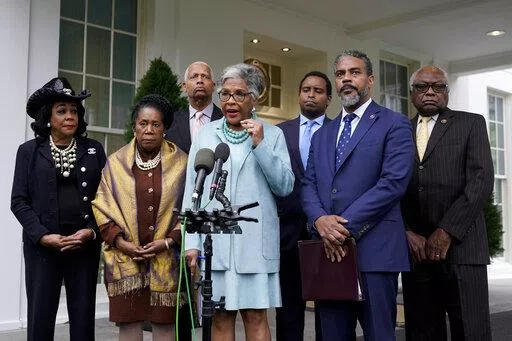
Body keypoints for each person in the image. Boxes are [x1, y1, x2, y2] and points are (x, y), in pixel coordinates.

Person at [301, 50, 414, 341]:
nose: (347, 80)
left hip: (375, 254)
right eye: (340, 74)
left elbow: (393, 183)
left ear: (370, 80)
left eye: (354, 72)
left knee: (379, 335)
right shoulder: (322, 134)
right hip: (329, 254)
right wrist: (319, 222)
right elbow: (308, 184)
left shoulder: (394, 123)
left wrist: (339, 227)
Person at [184, 63, 294, 341]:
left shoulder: (273, 134)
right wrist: (192, 243)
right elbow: (192, 190)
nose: (230, 101)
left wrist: (260, 144)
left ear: (254, 99)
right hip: (216, 242)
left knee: (256, 316)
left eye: (239, 94)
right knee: (220, 316)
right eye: (225, 94)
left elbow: (285, 186)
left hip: (255, 243)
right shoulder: (207, 134)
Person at [401, 65, 494, 341]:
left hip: (463, 248)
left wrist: (447, 231)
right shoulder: (398, 130)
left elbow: (481, 181)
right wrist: (405, 231)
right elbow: (391, 186)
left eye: (438, 86)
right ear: (411, 93)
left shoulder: (471, 123)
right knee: (422, 332)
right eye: (422, 87)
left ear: (447, 91)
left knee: (471, 331)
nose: (430, 92)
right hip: (416, 252)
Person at [11, 77, 106, 341]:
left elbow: (106, 200)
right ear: (48, 117)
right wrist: (42, 236)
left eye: (74, 111)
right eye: (61, 110)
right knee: (40, 320)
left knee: (83, 321)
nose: (69, 116)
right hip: (43, 248)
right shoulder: (28, 151)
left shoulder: (93, 150)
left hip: (83, 246)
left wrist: (91, 231)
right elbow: (18, 201)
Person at [92, 95, 188, 341]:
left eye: (156, 124)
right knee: (129, 324)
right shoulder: (115, 163)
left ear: (164, 128)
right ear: (134, 125)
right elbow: (102, 206)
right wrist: (121, 242)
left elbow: (189, 209)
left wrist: (168, 242)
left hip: (166, 260)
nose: (149, 130)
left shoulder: (181, 162)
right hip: (125, 259)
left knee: (165, 325)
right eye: (143, 123)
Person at [275, 71, 332, 341]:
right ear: (298, 95)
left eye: (318, 91)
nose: (311, 94)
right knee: (288, 310)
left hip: (327, 232)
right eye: (306, 89)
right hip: (287, 233)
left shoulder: (339, 131)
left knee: (328, 308)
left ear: (329, 98)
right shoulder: (279, 133)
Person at [165, 61, 224, 154]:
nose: (200, 80)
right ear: (184, 86)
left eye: (205, 76)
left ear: (213, 86)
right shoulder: (171, 122)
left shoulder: (225, 120)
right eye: (194, 76)